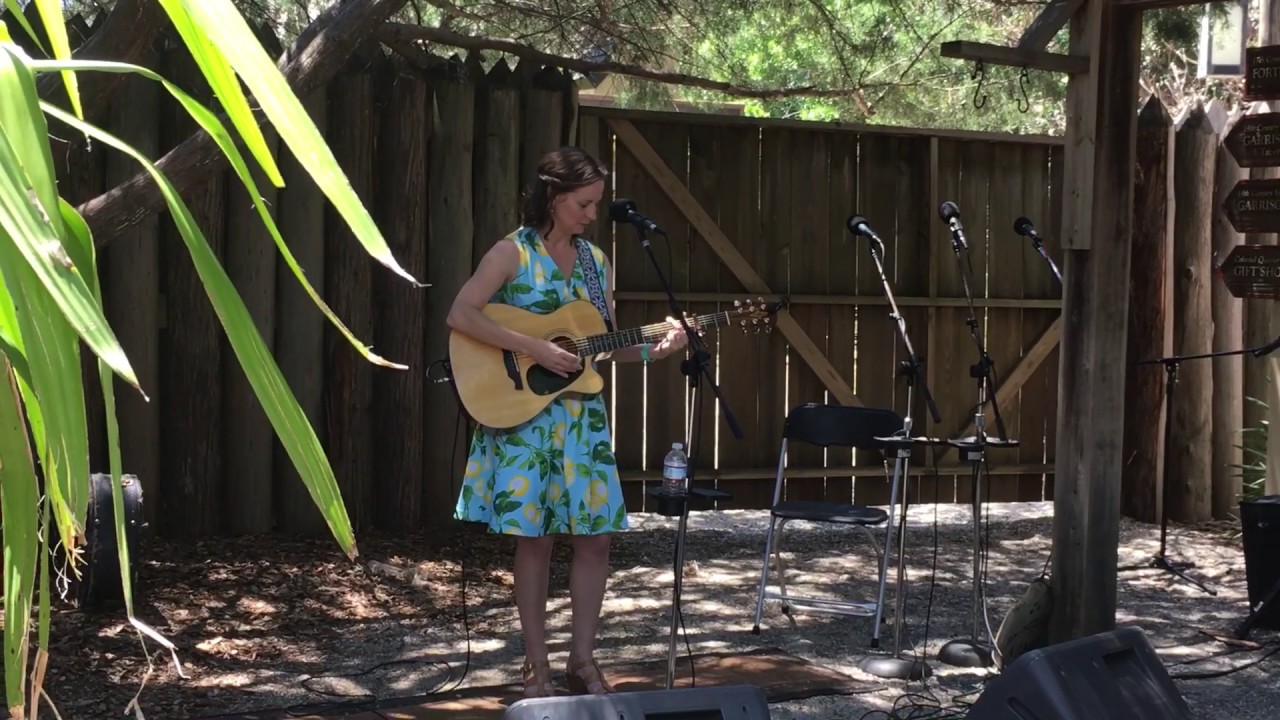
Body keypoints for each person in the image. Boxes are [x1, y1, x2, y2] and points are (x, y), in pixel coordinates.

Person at [446, 146, 688, 697]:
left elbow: (600, 346)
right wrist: (533, 345)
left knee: (596, 540)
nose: (591, 214)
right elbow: (461, 313)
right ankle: (538, 666)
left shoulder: (594, 262)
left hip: (582, 421)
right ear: (553, 197)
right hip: (524, 418)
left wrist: (658, 350)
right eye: (583, 203)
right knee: (536, 539)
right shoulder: (511, 253)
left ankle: (583, 659)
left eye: (596, 204)